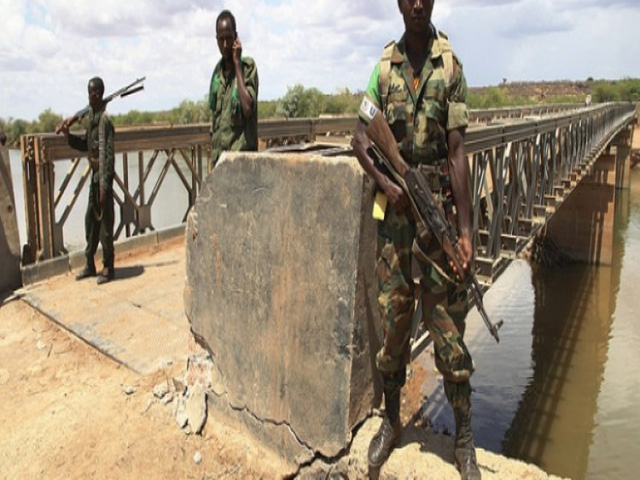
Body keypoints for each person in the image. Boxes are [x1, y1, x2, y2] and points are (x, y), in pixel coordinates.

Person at [351, 1, 480, 478]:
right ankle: (391, 420)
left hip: (436, 216)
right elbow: (361, 137)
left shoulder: (450, 67)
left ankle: (463, 439)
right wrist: (387, 185)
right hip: (395, 222)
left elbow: (458, 152)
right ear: (400, 4)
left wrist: (464, 233)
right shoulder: (384, 70)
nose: (418, 5)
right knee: (394, 323)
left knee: (448, 329)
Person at [58, 77, 116, 285]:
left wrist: (105, 187)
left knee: (106, 225)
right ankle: (90, 264)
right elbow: (85, 145)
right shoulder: (92, 118)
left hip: (102, 179)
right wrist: (68, 135)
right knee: (90, 222)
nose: (88, 97)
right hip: (94, 177)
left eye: (90, 93)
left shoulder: (105, 122)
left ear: (97, 94)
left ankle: (108, 267)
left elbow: (108, 157)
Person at [208, 9, 259, 171]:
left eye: (228, 38)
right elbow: (215, 123)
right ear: (216, 40)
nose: (225, 45)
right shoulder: (217, 74)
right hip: (220, 165)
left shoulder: (247, 68)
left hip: (241, 166)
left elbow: (247, 108)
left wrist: (237, 64)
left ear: (235, 37)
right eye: (221, 39)